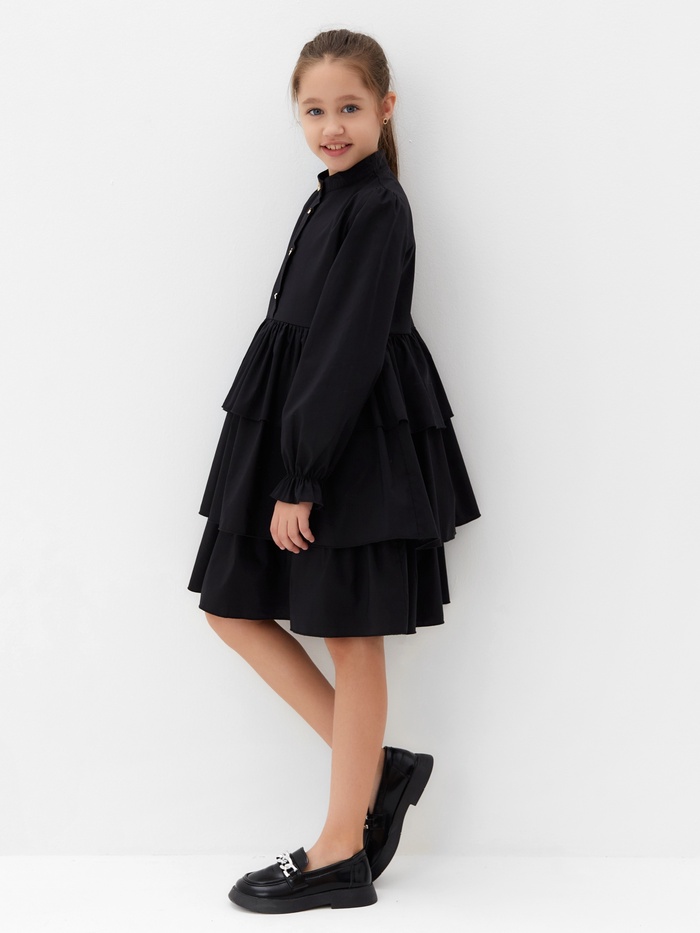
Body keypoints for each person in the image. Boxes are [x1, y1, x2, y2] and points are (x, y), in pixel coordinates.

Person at [187, 28, 480, 914]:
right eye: (313, 110)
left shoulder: (378, 205)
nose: (331, 126)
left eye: (349, 107)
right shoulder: (329, 197)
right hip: (301, 421)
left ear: (385, 108)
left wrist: (302, 475)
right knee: (231, 607)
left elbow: (348, 345)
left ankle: (341, 846)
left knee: (353, 638)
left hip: (349, 439)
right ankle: (378, 771)